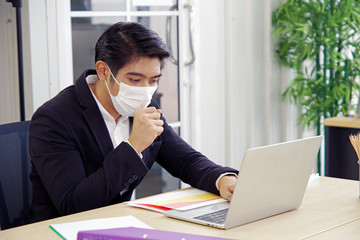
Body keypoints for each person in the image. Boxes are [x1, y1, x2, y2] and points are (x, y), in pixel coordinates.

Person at [28, 21, 238, 222]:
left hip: (121, 223)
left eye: (153, 80)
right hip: (61, 230)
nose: (145, 91)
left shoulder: (144, 106)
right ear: (103, 71)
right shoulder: (53, 119)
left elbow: (185, 160)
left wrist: (222, 179)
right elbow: (73, 205)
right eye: (135, 80)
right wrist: (134, 145)